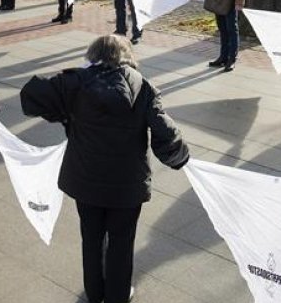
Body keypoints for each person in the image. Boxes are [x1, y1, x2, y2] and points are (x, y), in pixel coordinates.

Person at [21, 35, 190, 303]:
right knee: (122, 242)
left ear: (92, 55)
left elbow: (31, 96)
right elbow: (166, 133)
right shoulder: (142, 86)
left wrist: (66, 104)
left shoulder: (75, 82)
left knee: (91, 237)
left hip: (85, 181)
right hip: (127, 185)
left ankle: (95, 292)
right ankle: (118, 296)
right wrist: (179, 158)